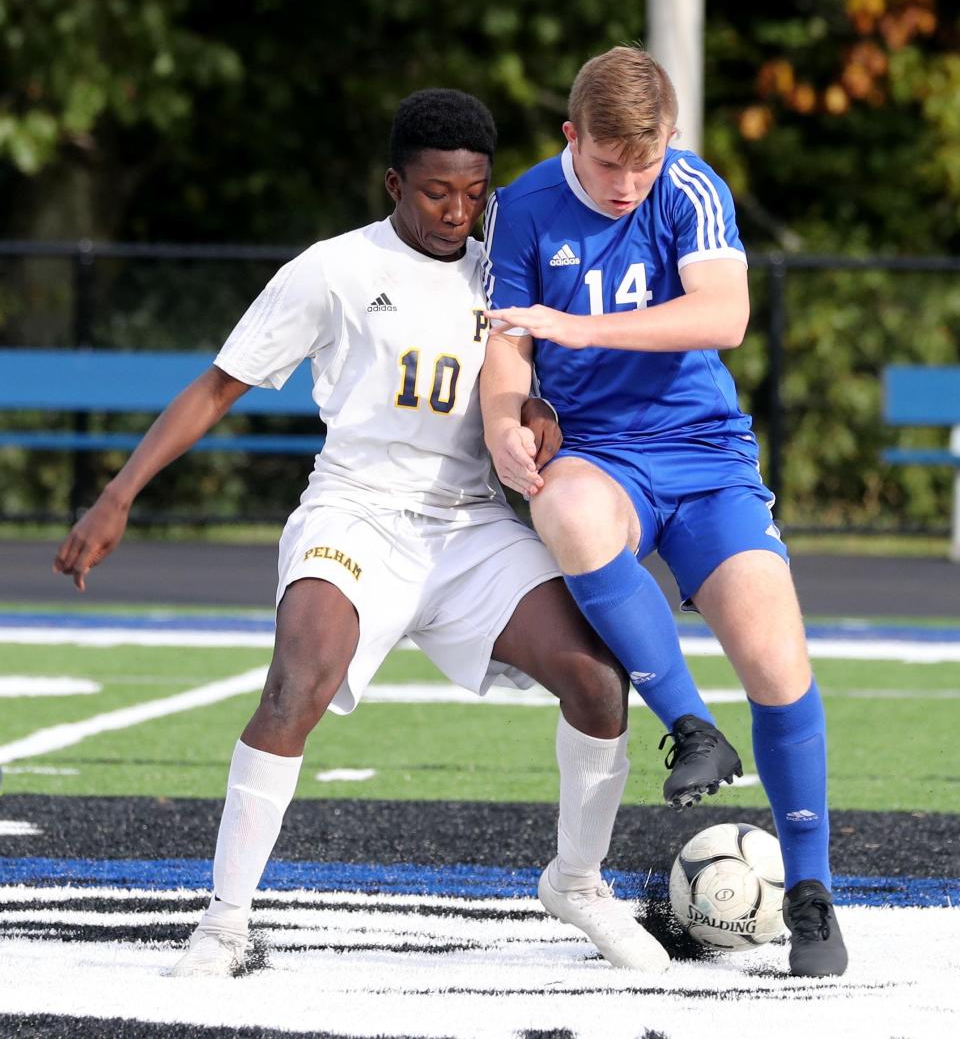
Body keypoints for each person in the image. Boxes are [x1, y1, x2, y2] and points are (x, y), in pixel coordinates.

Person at [52, 88, 673, 976]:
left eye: (474, 193)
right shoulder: (333, 270)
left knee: (597, 677)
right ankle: (224, 924)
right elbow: (218, 388)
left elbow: (552, 389)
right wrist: (117, 495)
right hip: (357, 515)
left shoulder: (510, 264)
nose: (458, 212)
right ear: (394, 183)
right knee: (298, 681)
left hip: (468, 529)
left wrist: (540, 418)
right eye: (435, 193)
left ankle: (576, 881)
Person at [480, 48, 848, 978]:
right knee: (562, 504)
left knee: (775, 658)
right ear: (573, 138)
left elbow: (724, 315)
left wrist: (582, 329)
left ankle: (810, 895)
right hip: (600, 453)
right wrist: (499, 426)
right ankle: (689, 726)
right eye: (609, 164)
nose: (628, 183)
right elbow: (506, 350)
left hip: (707, 456)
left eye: (644, 163)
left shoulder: (690, 186)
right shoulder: (521, 206)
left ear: (671, 141)